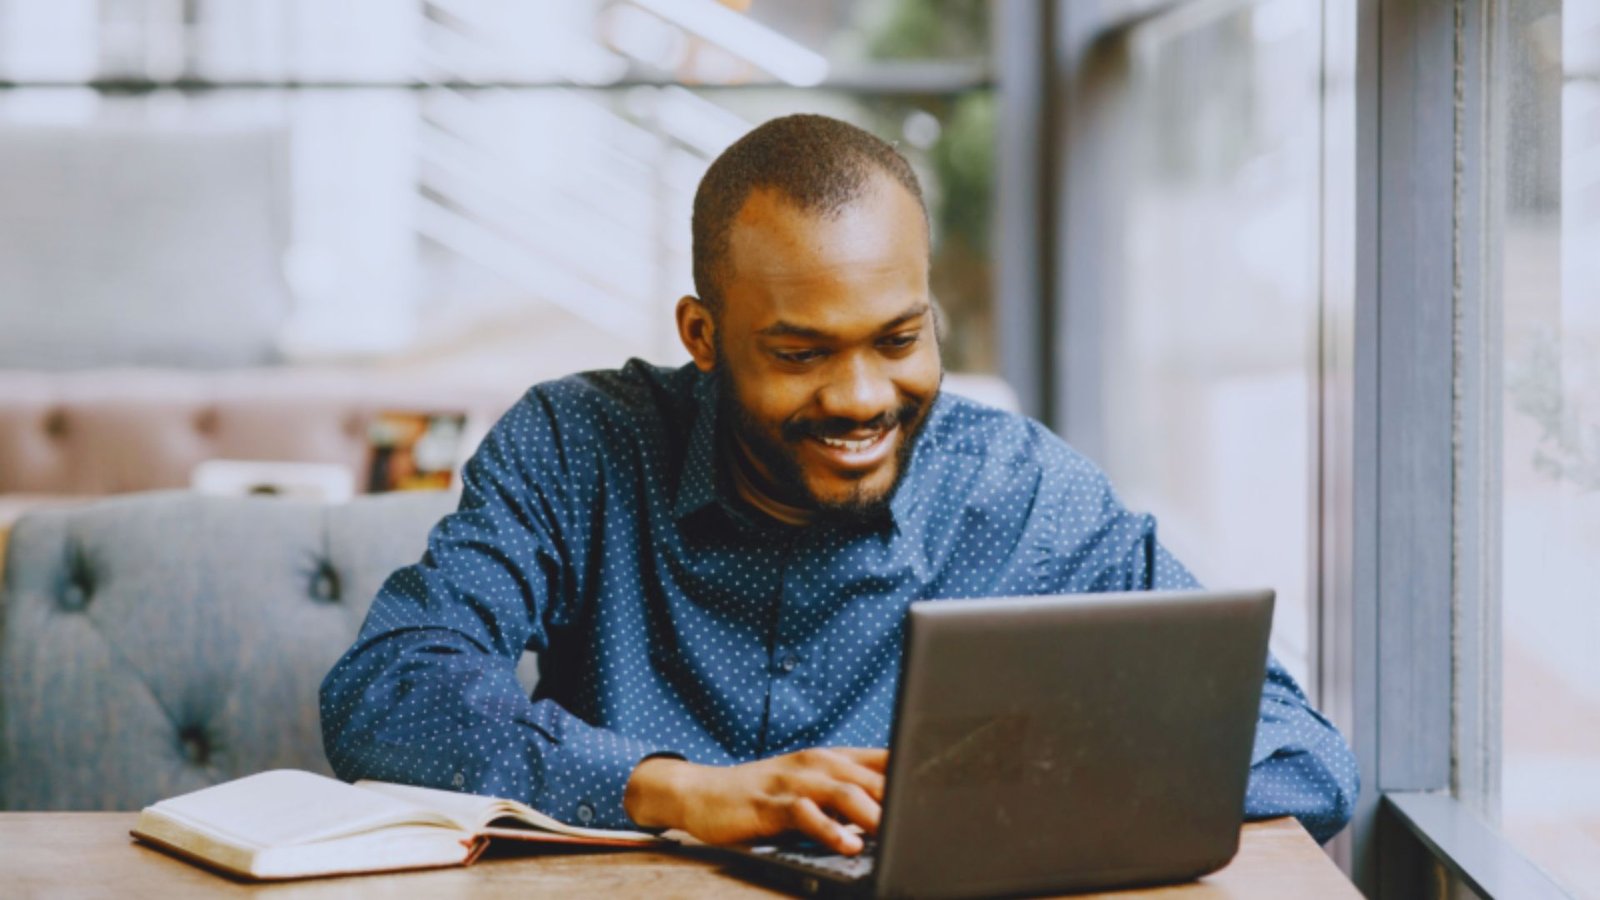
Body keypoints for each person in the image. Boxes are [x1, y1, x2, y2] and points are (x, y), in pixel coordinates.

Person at [320, 114, 1359, 855]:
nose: (864, 396)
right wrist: (679, 792)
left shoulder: (1025, 494)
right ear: (704, 335)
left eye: (898, 338)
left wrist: (973, 799)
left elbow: (1302, 761)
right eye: (801, 352)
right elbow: (386, 690)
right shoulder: (577, 444)